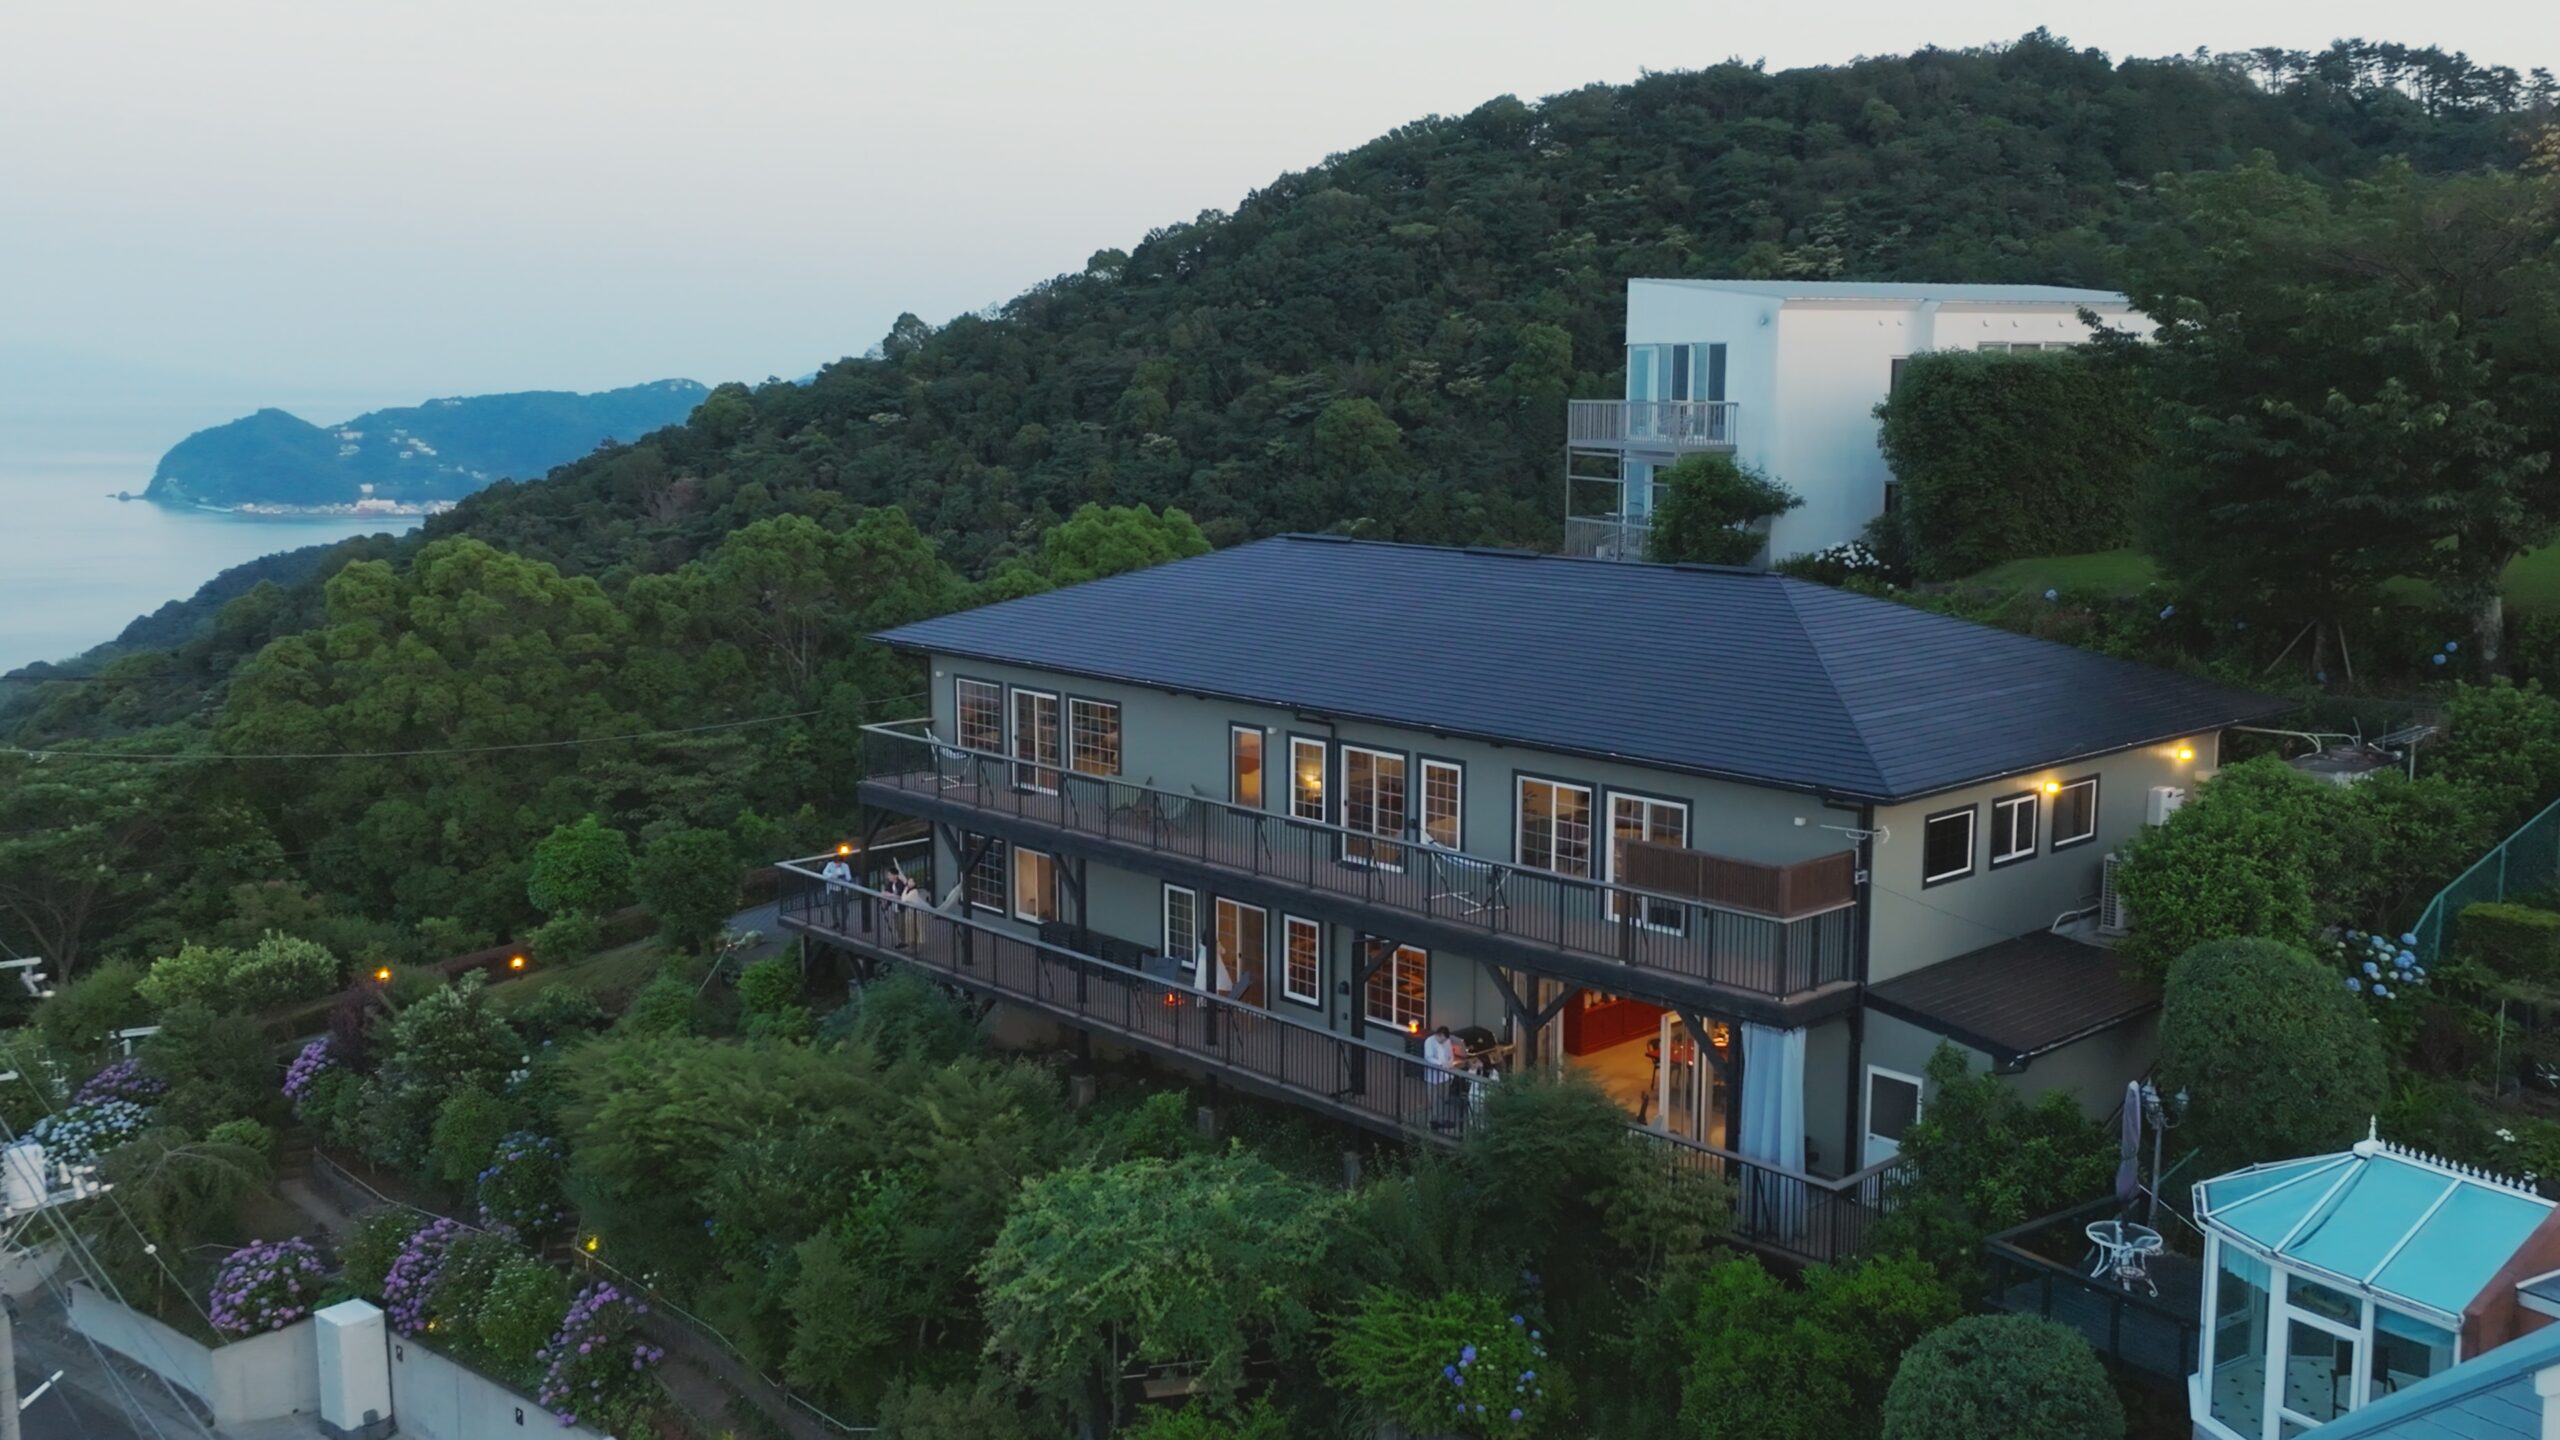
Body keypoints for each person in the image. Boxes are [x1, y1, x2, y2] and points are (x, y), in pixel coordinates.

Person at [1421, 1024, 1459, 1132]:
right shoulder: (1429, 1041)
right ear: (1440, 1035)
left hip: (1445, 1075)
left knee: (1443, 1098)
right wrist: (1441, 1064)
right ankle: (1434, 1121)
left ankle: (1440, 1119)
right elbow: (1429, 1057)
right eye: (1443, 1039)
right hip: (1433, 1077)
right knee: (1434, 1099)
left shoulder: (1447, 1041)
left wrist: (1450, 1063)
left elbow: (1450, 1054)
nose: (1444, 1041)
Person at [819, 850, 854, 930]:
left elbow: (849, 877)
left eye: (839, 863)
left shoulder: (845, 866)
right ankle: (836, 922)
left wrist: (843, 877)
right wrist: (832, 875)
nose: (838, 864)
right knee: (832, 906)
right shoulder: (830, 865)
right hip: (833, 889)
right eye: (837, 863)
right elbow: (824, 873)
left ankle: (843, 923)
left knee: (844, 908)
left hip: (843, 889)